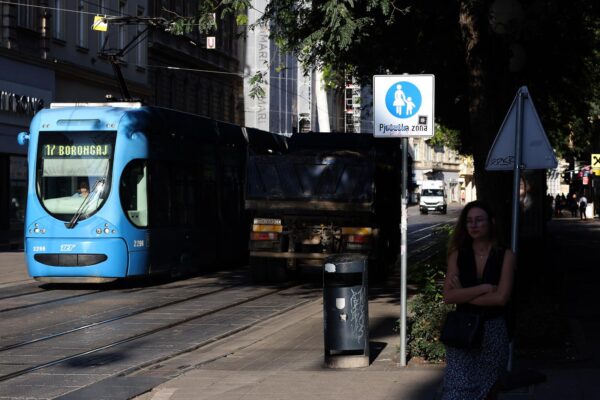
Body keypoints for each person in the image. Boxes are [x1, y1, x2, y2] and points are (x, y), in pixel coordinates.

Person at [441, 200, 515, 400]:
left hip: (494, 330)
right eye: (469, 221)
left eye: (479, 220)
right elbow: (448, 296)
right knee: (457, 390)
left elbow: (501, 298)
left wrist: (464, 294)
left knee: (488, 390)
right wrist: (483, 289)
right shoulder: (458, 254)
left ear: (491, 222)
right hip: (461, 330)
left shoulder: (505, 254)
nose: (473, 225)